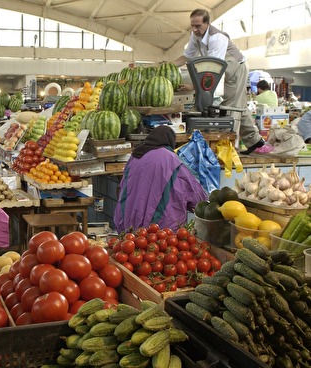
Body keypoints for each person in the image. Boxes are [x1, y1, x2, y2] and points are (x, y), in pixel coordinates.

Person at [172, 8, 266, 155]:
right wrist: (168, 65)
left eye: (198, 26)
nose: (195, 29)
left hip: (236, 69)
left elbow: (212, 69)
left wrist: (195, 87)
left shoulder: (217, 38)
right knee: (239, 104)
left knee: (231, 107)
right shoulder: (195, 36)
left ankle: (229, 149)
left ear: (207, 24)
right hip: (222, 69)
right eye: (193, 26)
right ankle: (255, 140)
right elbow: (186, 57)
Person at [113, 126, 207, 233]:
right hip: (161, 233)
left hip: (127, 227)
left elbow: (123, 188)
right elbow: (197, 196)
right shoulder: (170, 159)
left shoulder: (135, 156)